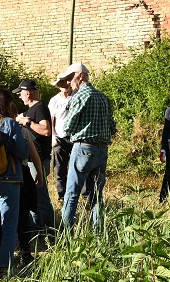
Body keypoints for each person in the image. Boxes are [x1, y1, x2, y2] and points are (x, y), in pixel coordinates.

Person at [0, 89, 43, 276]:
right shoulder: (9, 123)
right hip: (8, 179)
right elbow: (22, 152)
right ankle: (5, 266)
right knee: (9, 225)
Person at [57, 64, 116, 232]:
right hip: (102, 150)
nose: (68, 82)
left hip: (83, 148)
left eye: (70, 78)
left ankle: (66, 235)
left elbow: (67, 126)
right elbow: (112, 126)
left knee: (72, 194)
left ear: (80, 76)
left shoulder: (80, 96)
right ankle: (99, 233)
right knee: (97, 195)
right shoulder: (103, 97)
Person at [14, 80, 56, 255]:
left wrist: (26, 122)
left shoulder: (39, 108)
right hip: (31, 160)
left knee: (40, 197)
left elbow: (46, 131)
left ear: (28, 93)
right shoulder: (30, 110)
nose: (19, 96)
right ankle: (39, 233)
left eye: (20, 93)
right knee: (33, 197)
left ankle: (51, 235)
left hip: (38, 160)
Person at [48, 72, 74, 204]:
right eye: (61, 83)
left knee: (77, 168)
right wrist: (53, 136)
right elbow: (51, 119)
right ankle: (62, 196)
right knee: (60, 169)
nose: (63, 85)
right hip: (59, 138)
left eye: (65, 82)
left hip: (74, 137)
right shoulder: (54, 100)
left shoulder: (76, 97)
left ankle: (80, 195)